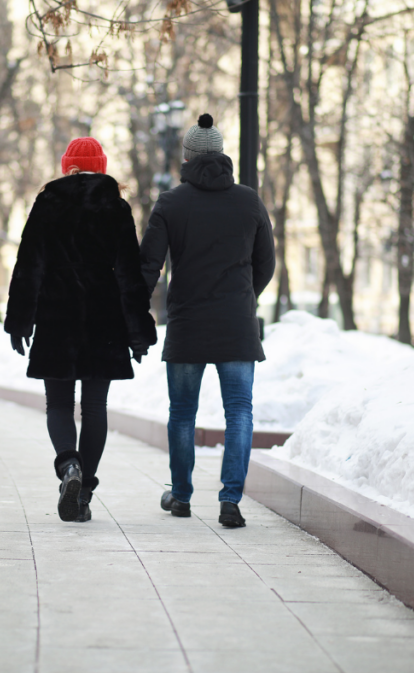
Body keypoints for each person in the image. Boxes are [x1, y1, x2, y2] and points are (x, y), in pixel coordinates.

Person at [4, 137, 157, 523]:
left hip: (57, 318)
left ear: (65, 165)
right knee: (94, 408)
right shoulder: (116, 207)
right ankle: (84, 491)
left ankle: (68, 466)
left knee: (57, 404)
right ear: (102, 166)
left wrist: (20, 320)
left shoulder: (47, 203)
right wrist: (137, 331)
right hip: (103, 321)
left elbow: (29, 266)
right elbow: (128, 275)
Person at [140, 114, 275, 528]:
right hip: (236, 324)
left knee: (182, 412)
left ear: (187, 157)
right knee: (239, 411)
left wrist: (133, 309)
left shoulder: (171, 203)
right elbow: (266, 263)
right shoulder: (249, 200)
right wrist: (244, 298)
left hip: (188, 324)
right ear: (220, 154)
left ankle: (180, 496)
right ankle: (230, 500)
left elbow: (149, 265)